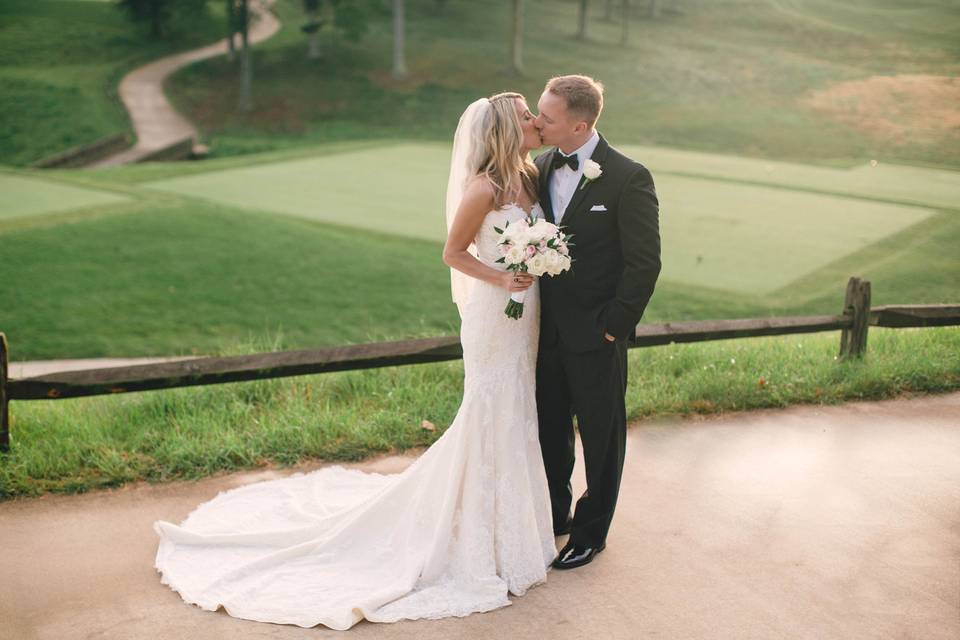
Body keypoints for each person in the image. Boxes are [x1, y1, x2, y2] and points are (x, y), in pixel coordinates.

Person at [152, 92, 557, 630]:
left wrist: (535, 261)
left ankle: (514, 532)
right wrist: (504, 277)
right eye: (527, 114)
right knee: (489, 407)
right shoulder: (482, 187)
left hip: (525, 311)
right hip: (492, 311)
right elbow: (453, 253)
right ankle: (477, 538)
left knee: (517, 405)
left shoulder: (529, 178)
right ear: (507, 129)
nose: (535, 121)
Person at [533, 75, 661, 570]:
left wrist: (614, 327)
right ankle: (555, 515)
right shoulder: (540, 166)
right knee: (549, 430)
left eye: (547, 116)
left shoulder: (630, 177)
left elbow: (644, 263)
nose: (537, 122)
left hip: (597, 335)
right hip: (544, 335)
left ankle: (591, 533)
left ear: (579, 124)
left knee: (602, 437)